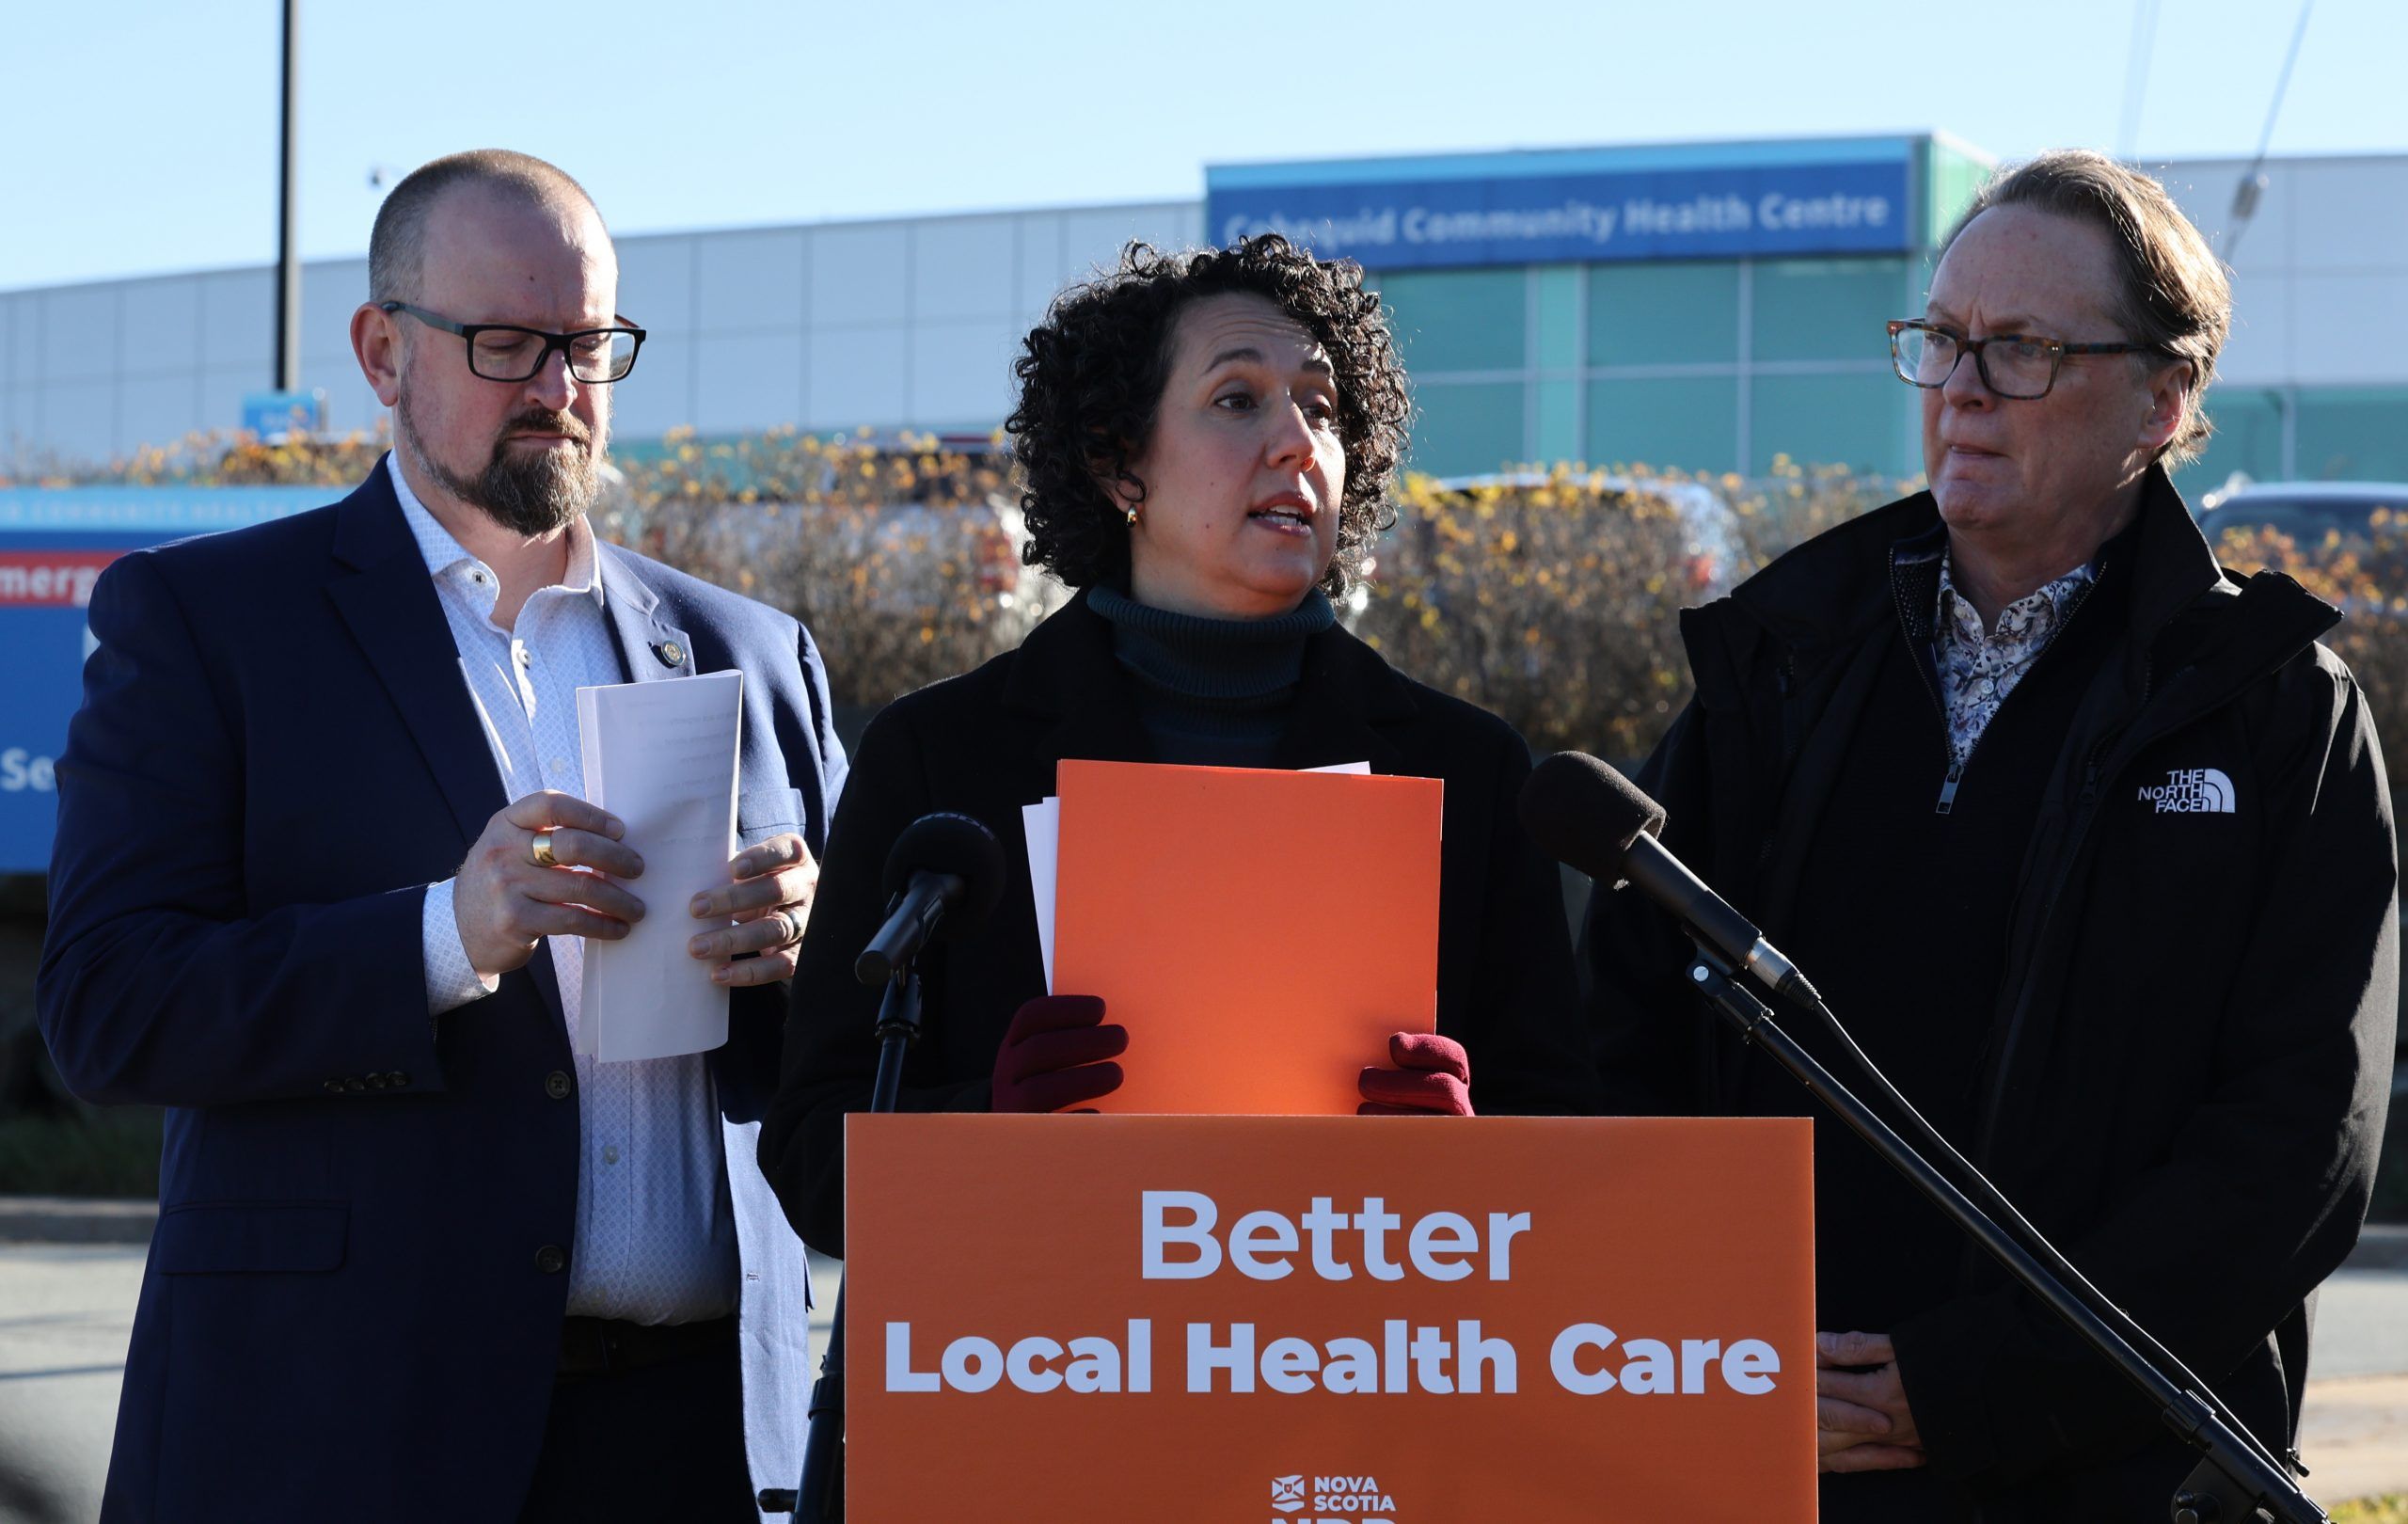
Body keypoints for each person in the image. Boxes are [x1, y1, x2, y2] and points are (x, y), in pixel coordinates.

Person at [1585, 149, 2399, 1521]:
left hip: (2115, 1479)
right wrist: (1707, 1350)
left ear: (2164, 398)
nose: (1960, 389)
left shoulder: (2274, 715)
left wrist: (1978, 1390)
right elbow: (1623, 1028)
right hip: (1779, 1450)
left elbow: (2299, 1141)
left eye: (2017, 348)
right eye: (1943, 340)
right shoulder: (1782, 667)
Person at [38, 151, 845, 1523]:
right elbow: (107, 1008)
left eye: (589, 345)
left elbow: (840, 1079)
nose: (558, 390)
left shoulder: (751, 651)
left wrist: (812, 957)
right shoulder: (212, 624)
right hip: (340, 1436)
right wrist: (443, 935)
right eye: (507, 343)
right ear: (381, 350)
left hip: (698, 1444)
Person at [760, 235, 1598, 1255]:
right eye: (1238, 400)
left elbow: (1570, 1156)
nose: (1297, 442)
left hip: (1347, 1380)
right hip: (1043, 1380)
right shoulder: (939, 757)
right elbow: (811, 1153)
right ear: (1119, 462)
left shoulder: (1467, 770)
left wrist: (1469, 1161)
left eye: (1323, 408)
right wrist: (986, 1128)